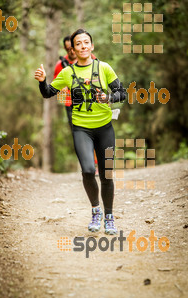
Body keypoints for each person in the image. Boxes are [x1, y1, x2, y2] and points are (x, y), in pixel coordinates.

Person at [34, 29, 126, 235]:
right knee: (87, 170)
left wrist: (108, 98)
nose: (83, 46)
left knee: (107, 174)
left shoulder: (104, 68)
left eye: (87, 42)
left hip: (105, 128)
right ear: (73, 49)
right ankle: (96, 211)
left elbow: (122, 93)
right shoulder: (67, 72)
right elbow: (48, 93)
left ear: (92, 46)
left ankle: (109, 217)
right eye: (79, 43)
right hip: (81, 129)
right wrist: (42, 81)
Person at [53, 36, 77, 129]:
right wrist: (62, 89)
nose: (71, 51)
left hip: (87, 101)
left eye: (73, 48)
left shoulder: (87, 59)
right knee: (76, 132)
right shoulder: (60, 64)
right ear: (65, 48)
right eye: (68, 49)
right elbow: (56, 87)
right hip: (70, 103)